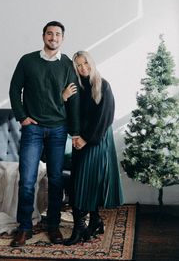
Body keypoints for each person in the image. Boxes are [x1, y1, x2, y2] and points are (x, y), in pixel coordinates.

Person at [9, 21, 80, 247]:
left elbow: (74, 98)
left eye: (58, 34)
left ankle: (53, 226)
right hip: (34, 129)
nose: (53, 37)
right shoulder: (27, 61)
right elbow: (14, 89)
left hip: (59, 129)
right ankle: (25, 228)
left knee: (56, 180)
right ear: (43, 36)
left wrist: (75, 131)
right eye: (50, 33)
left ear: (62, 39)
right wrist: (22, 117)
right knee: (27, 180)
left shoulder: (68, 64)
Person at [62, 50, 124, 246]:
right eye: (78, 65)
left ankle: (79, 227)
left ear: (92, 63)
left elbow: (105, 117)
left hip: (97, 140)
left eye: (85, 63)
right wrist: (75, 134)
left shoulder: (103, 85)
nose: (83, 68)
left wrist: (86, 139)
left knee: (84, 181)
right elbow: (71, 114)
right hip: (81, 139)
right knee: (81, 181)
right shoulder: (77, 87)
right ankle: (95, 221)